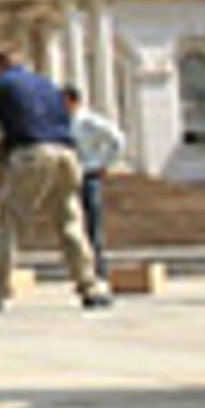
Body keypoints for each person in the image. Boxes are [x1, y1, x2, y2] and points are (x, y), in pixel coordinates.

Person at [0, 46, 110, 311]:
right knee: (70, 221)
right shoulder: (47, 83)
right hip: (67, 154)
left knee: (9, 221)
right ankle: (90, 287)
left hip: (32, 153)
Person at [63, 85, 125, 280]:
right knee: (72, 221)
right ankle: (80, 265)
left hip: (88, 173)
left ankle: (98, 265)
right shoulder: (61, 122)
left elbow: (117, 139)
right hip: (67, 175)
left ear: (72, 100)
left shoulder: (89, 121)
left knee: (92, 221)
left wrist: (105, 163)